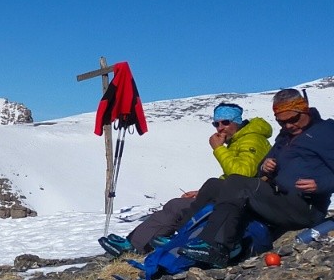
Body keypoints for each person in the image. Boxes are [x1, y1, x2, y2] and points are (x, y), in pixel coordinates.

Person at [179, 88, 334, 267]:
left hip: (304, 209)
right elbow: (266, 164)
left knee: (238, 183)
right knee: (214, 185)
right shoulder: (286, 135)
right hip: (279, 199)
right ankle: (180, 235)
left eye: (293, 119)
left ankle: (216, 246)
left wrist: (320, 185)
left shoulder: (327, 134)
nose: (288, 125)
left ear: (304, 110)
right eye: (281, 122)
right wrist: (266, 166)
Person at [98, 102, 273, 256]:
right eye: (216, 123)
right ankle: (135, 244)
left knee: (185, 205)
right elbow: (231, 176)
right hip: (232, 195)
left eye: (225, 123)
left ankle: (174, 240)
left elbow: (241, 175)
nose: (220, 128)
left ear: (238, 122)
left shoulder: (252, 140)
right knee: (176, 204)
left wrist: (218, 150)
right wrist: (202, 193)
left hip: (243, 201)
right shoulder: (237, 141)